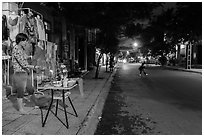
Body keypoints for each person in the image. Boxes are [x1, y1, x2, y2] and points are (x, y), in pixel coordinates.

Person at [12, 33, 36, 114]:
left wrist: (30, 57)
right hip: (19, 73)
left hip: (24, 72)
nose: (26, 42)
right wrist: (34, 67)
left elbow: (24, 58)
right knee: (21, 91)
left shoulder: (21, 48)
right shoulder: (16, 49)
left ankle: (34, 103)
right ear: (20, 41)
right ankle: (20, 109)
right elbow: (23, 64)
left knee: (30, 88)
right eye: (25, 41)